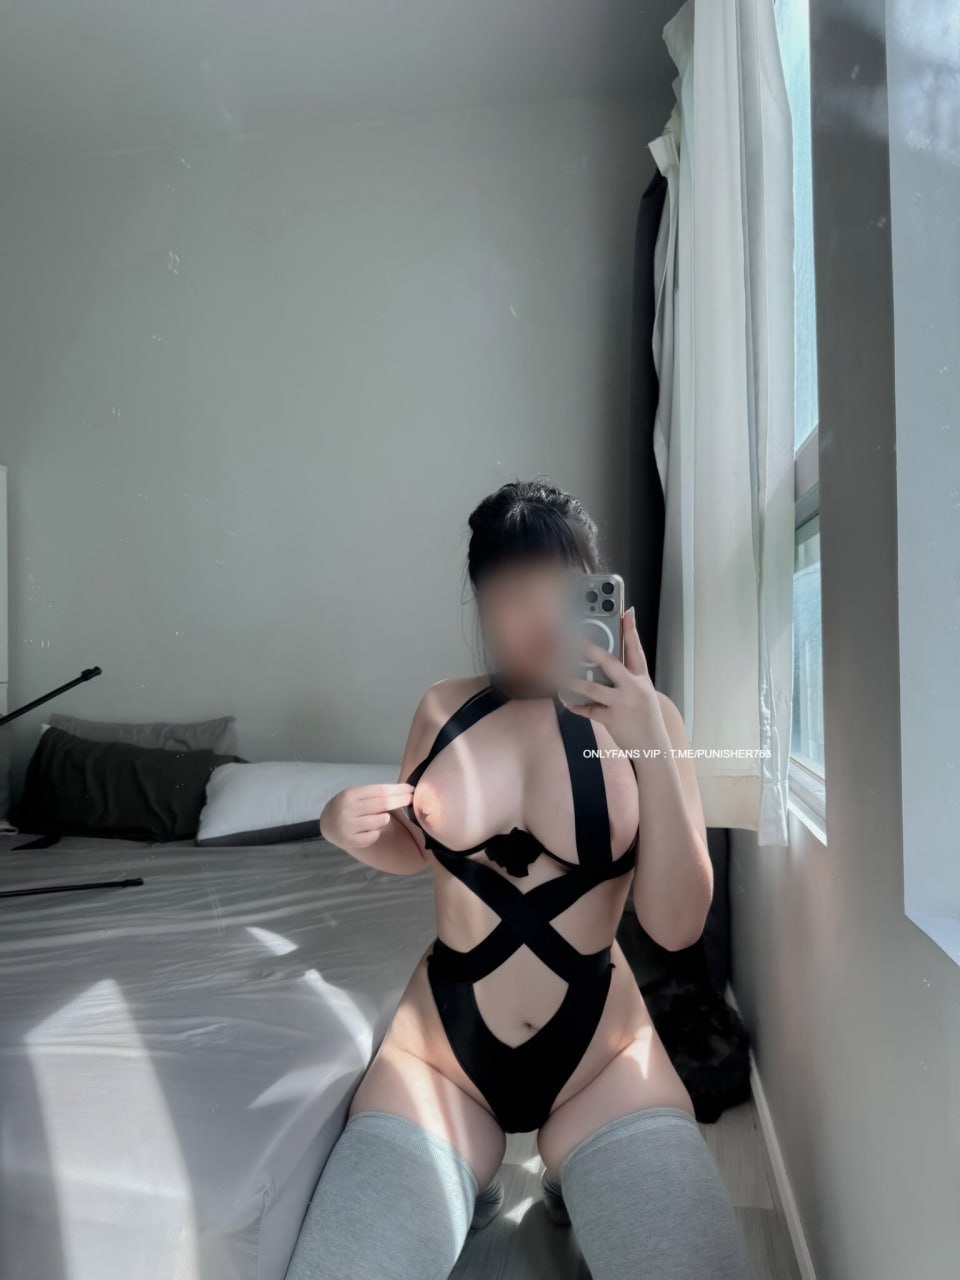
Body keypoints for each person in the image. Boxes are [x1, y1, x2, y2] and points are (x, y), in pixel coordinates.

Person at [285, 480, 749, 1280]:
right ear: (478, 601)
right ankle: (477, 1183)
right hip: (440, 1055)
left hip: (601, 1058)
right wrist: (344, 828)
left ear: (595, 593)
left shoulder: (652, 720)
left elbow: (676, 925)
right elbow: (416, 848)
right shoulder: (442, 709)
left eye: (556, 590)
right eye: (510, 594)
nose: (535, 617)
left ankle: (572, 1176)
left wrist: (647, 738)